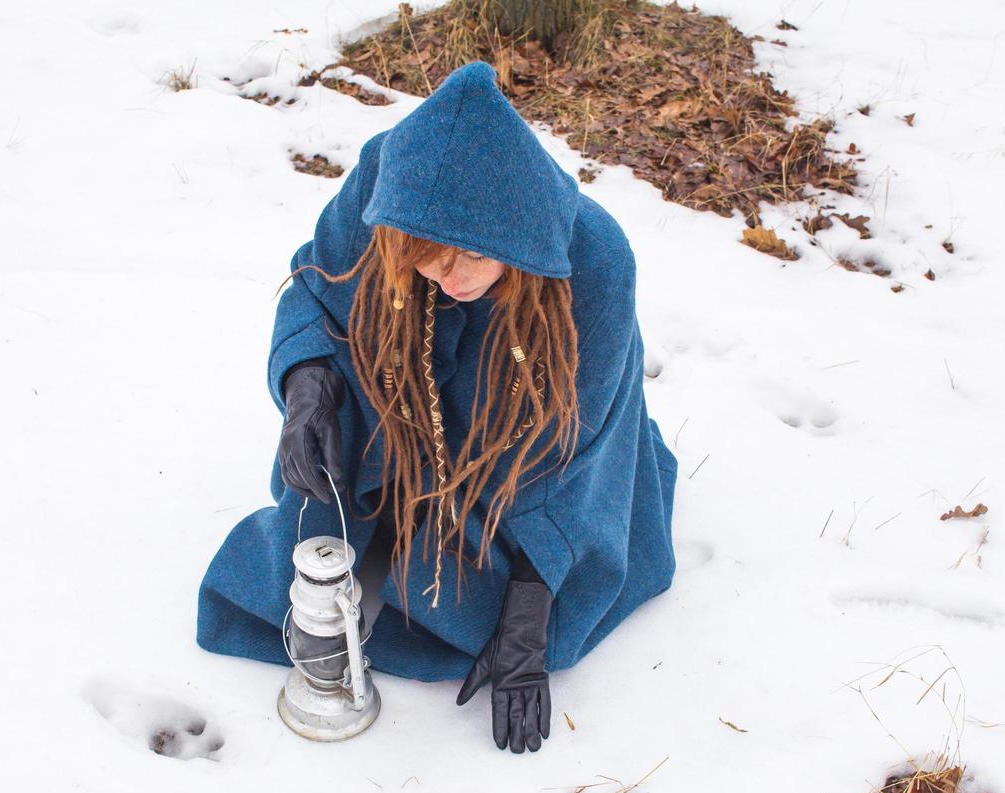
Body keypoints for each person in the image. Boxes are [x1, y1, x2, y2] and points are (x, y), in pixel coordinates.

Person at [197, 61, 677, 753]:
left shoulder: (595, 263)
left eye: (465, 261)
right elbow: (322, 290)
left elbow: (573, 448)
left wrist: (526, 617)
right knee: (297, 576)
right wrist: (308, 388)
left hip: (519, 431)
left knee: (463, 602)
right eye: (424, 261)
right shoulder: (385, 188)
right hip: (408, 391)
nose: (445, 280)